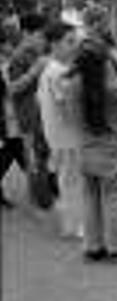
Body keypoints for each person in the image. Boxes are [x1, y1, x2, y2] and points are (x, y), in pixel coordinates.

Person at [69, 35, 117, 262]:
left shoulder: (72, 85)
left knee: (89, 197)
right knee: (112, 197)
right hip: (109, 149)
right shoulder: (111, 88)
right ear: (102, 64)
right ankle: (116, 247)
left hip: (84, 148)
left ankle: (93, 246)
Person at [36, 20, 83, 238]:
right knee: (72, 180)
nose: (74, 46)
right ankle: (75, 225)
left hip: (58, 135)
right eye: (69, 42)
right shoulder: (59, 72)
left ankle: (72, 223)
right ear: (54, 45)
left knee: (68, 179)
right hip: (67, 136)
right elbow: (67, 108)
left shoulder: (51, 69)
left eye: (75, 41)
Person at [7, 12, 53, 202]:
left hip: (44, 114)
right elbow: (13, 88)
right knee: (34, 157)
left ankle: (44, 193)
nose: (44, 40)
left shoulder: (38, 53)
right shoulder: (19, 56)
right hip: (28, 115)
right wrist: (35, 71)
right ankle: (39, 198)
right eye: (40, 35)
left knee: (44, 155)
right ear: (27, 33)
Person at [0, 26, 27, 208]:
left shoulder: (8, 62)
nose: (13, 47)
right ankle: (46, 188)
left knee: (14, 149)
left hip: (12, 118)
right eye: (11, 44)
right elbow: (8, 90)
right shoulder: (4, 65)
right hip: (6, 118)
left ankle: (46, 188)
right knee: (15, 150)